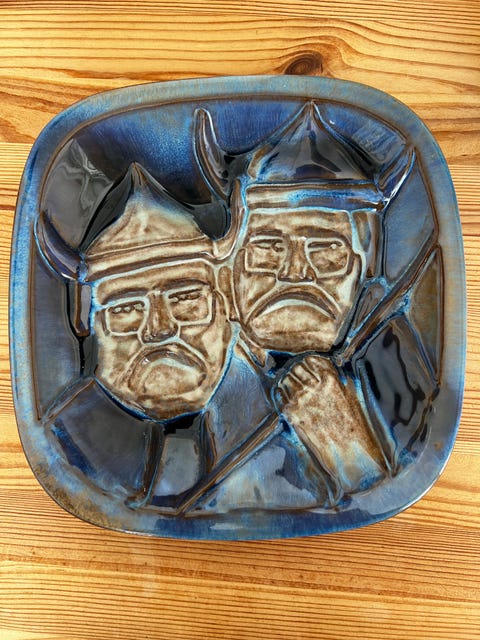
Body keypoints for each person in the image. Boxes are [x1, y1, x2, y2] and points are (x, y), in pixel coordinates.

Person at [188, 101, 439, 513]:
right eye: (268, 248)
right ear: (230, 265)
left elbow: (387, 493)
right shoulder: (197, 361)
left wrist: (341, 437)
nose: (294, 273)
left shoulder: (393, 356)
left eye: (325, 251)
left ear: (364, 265)